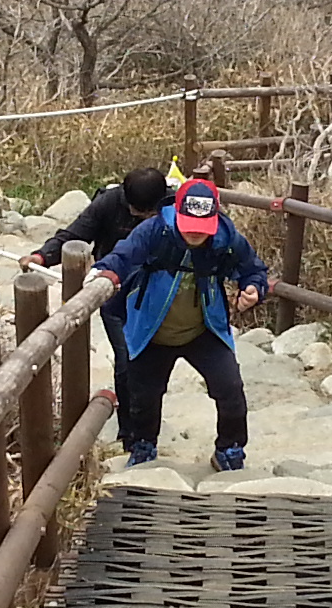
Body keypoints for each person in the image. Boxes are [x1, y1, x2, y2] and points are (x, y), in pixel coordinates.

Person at [96, 174, 270, 470]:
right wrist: (105, 274)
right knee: (144, 397)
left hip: (204, 329)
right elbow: (122, 256)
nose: (194, 234)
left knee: (230, 389)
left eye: (201, 229)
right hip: (152, 330)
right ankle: (143, 445)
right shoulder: (154, 231)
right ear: (176, 213)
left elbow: (253, 271)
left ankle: (229, 448)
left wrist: (253, 290)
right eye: (188, 226)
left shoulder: (226, 238)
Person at [25, 166, 171, 372]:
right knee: (127, 358)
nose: (143, 217)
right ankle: (126, 403)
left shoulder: (173, 206)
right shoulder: (109, 202)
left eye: (149, 213)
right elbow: (75, 233)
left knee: (153, 360)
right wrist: (42, 255)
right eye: (139, 212)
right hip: (114, 290)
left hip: (158, 290)